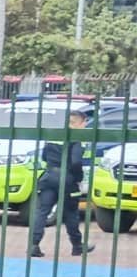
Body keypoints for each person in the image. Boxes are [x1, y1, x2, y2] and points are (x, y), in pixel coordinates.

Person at [28, 105, 97, 260]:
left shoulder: (54, 135)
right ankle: (77, 246)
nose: (85, 126)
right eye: (85, 123)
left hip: (49, 176)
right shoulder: (77, 138)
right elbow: (76, 162)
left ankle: (34, 245)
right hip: (67, 180)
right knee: (71, 213)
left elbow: (44, 156)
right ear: (80, 123)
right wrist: (78, 178)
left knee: (42, 211)